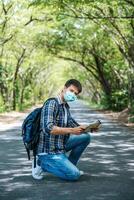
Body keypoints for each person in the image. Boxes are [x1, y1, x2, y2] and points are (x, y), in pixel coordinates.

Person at [32, 79, 96, 181]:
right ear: (64, 88)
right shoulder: (52, 103)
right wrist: (72, 130)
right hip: (48, 150)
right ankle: (41, 163)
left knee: (85, 137)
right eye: (71, 91)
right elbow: (48, 128)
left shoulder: (65, 107)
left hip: (59, 146)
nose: (73, 94)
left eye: (75, 94)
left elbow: (74, 125)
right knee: (74, 175)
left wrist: (89, 128)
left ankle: (69, 166)